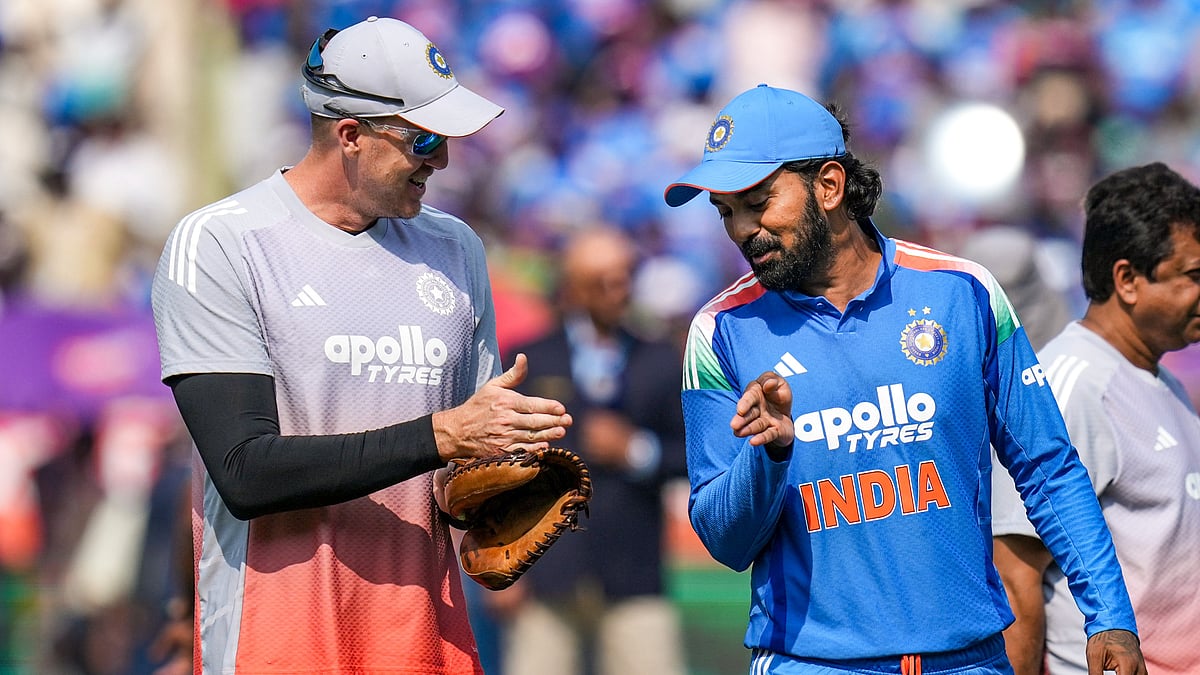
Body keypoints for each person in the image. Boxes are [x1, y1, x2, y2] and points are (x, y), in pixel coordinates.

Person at [662, 84, 1146, 675]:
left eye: (759, 202)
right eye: (725, 212)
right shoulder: (718, 332)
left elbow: (1048, 469)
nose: (741, 230)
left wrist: (1111, 616)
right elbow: (724, 541)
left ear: (830, 186)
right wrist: (768, 456)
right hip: (811, 664)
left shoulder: (963, 292)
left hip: (969, 661)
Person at [150, 17, 572, 674]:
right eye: (424, 139)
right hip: (274, 638)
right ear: (349, 135)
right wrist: (442, 435)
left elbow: (460, 461)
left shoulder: (455, 248)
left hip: (426, 641)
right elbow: (244, 472)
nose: (442, 160)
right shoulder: (222, 242)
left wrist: (502, 481)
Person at [991, 162, 1200, 675]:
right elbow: (1016, 575)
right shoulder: (1071, 385)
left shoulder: (1161, 382)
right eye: (1194, 276)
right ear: (1127, 279)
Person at [494, 225, 688, 675]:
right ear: (574, 289)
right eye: (603, 281)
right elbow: (501, 465)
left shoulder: (659, 358)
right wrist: (503, 565)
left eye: (624, 277)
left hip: (633, 574)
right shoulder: (531, 359)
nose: (618, 291)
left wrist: (638, 451)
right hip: (545, 569)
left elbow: (693, 457)